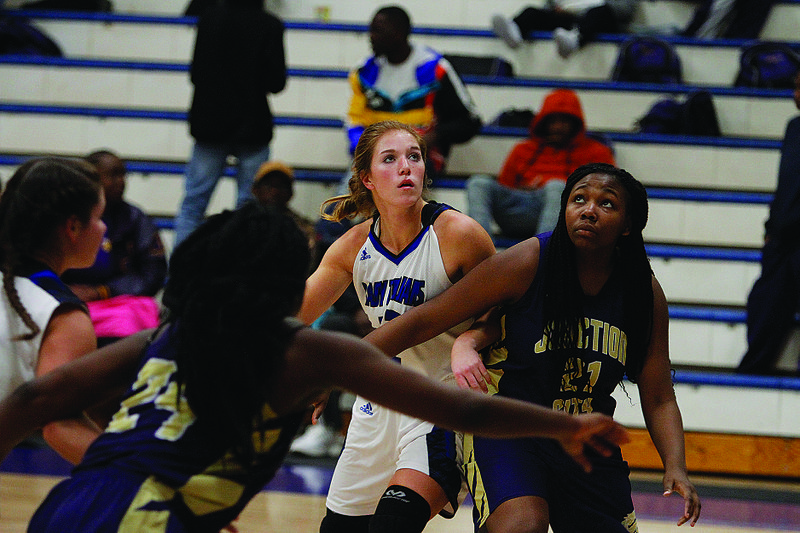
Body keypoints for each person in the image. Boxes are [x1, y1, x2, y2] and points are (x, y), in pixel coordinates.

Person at [0, 202, 630, 533]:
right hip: (149, 517)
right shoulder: (306, 350)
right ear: (280, 281)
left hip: (69, 505)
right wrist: (563, 427)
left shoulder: (168, 338)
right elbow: (464, 408)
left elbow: (35, 400)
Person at [364, 162, 702, 531]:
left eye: (607, 204)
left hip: (584, 439)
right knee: (523, 526)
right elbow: (428, 317)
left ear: (628, 226)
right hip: (508, 428)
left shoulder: (642, 292)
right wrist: (338, 367)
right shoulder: (529, 260)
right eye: (579, 199)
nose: (589, 209)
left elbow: (658, 396)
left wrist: (675, 466)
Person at [300, 120, 495, 533]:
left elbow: (507, 307)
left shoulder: (458, 234)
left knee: (393, 524)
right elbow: (296, 313)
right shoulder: (353, 246)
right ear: (367, 179)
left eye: (414, 157)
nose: (406, 167)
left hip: (441, 401)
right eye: (390, 159)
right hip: (377, 405)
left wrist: (471, 339)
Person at [0, 157, 107, 465]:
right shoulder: (64, 315)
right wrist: (148, 478)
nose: (104, 228)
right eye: (100, 216)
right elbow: (60, 426)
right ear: (73, 226)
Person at [173, 0, 287, 247]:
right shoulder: (270, 24)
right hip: (252, 125)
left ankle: (177, 280)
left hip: (210, 123)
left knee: (193, 205)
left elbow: (195, 74)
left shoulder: (210, 17)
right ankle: (241, 276)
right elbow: (276, 82)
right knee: (250, 208)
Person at [346, 5, 482, 182]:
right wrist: (367, 150)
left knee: (391, 189)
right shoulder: (364, 72)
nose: (371, 37)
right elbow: (354, 121)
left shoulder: (434, 69)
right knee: (343, 201)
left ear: (399, 33)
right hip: (375, 157)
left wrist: (432, 137)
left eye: (378, 31)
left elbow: (470, 120)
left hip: (422, 157)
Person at [467, 88, 615, 241]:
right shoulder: (523, 149)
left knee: (556, 186)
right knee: (478, 182)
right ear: (543, 122)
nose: (558, 127)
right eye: (553, 121)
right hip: (516, 210)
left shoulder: (597, 153)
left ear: (575, 124)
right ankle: (480, 251)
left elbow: (606, 197)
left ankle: (543, 254)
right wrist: (523, 190)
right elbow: (505, 186)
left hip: (567, 216)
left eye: (564, 121)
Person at [62, 150, 167, 345]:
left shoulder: (136, 219)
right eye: (113, 175)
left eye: (123, 175)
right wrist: (61, 289)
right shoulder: (65, 217)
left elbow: (153, 273)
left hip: (120, 304)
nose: (121, 181)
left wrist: (102, 291)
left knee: (129, 319)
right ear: (90, 179)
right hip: (68, 299)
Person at [739, 71, 800, 376]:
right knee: (764, 300)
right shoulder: (794, 127)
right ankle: (753, 368)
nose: (798, 94)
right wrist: (770, 227)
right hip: (782, 236)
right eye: (796, 86)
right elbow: (786, 184)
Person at [491, 0, 639, 58]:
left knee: (598, 13)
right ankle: (515, 31)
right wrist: (556, 9)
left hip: (602, 20)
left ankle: (575, 39)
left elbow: (625, 10)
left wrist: (580, 9)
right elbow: (549, 6)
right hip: (568, 18)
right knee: (531, 11)